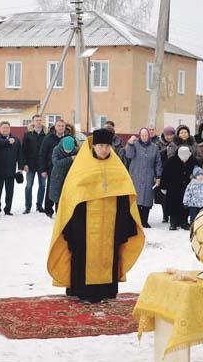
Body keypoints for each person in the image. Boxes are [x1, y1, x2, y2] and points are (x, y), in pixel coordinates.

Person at [47, 128, 144, 303]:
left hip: (111, 222)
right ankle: (83, 292)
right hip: (83, 223)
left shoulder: (117, 167)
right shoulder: (81, 167)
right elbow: (72, 195)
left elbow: (124, 194)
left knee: (110, 254)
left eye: (107, 146)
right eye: (100, 146)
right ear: (93, 146)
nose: (104, 149)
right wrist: (74, 227)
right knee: (82, 254)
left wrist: (123, 223)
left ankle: (106, 291)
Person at [126, 127, 162, 228]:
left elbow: (158, 162)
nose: (144, 137)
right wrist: (130, 144)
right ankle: (136, 221)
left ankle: (145, 221)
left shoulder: (154, 147)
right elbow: (129, 155)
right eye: (142, 135)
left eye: (146, 135)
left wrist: (158, 175)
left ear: (149, 136)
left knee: (147, 199)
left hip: (149, 176)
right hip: (136, 175)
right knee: (136, 199)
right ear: (139, 136)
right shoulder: (135, 144)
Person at [161, 145, 198, 231]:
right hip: (173, 188)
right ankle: (173, 222)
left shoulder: (194, 161)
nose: (184, 159)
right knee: (173, 205)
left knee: (185, 205)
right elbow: (165, 174)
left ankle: (184, 222)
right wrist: (163, 186)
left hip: (188, 189)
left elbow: (198, 173)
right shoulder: (171, 161)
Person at [38, 119, 69, 217]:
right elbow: (42, 154)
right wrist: (43, 169)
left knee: (63, 189)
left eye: (62, 126)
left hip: (65, 169)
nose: (61, 128)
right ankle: (48, 210)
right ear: (55, 127)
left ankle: (60, 211)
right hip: (52, 168)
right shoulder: (48, 138)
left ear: (65, 127)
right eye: (59, 126)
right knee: (51, 190)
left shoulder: (69, 138)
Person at [0, 121, 22, 217]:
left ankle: (8, 209)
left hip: (11, 171)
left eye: (7, 128)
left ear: (10, 128)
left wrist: (20, 168)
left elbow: (20, 155)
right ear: (0, 129)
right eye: (4, 127)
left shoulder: (16, 140)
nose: (5, 129)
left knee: (9, 192)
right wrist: (8, 141)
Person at [21, 114, 47, 214]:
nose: (38, 122)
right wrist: (24, 164)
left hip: (42, 166)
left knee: (42, 186)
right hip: (30, 165)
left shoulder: (46, 134)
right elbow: (23, 151)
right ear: (33, 122)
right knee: (29, 186)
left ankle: (39, 206)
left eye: (40, 120)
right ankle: (28, 207)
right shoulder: (28, 134)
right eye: (36, 120)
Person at [49, 136, 79, 211]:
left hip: (70, 175)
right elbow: (56, 163)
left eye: (69, 151)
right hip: (57, 175)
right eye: (66, 150)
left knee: (69, 196)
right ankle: (58, 213)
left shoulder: (76, 150)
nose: (67, 152)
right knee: (58, 196)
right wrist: (70, 158)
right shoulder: (56, 149)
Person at [154, 126, 176, 223]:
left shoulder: (176, 143)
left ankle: (172, 215)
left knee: (172, 195)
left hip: (173, 172)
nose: (169, 137)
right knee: (163, 196)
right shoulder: (159, 144)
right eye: (167, 135)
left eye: (171, 135)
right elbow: (156, 155)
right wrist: (166, 149)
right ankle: (165, 215)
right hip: (163, 172)